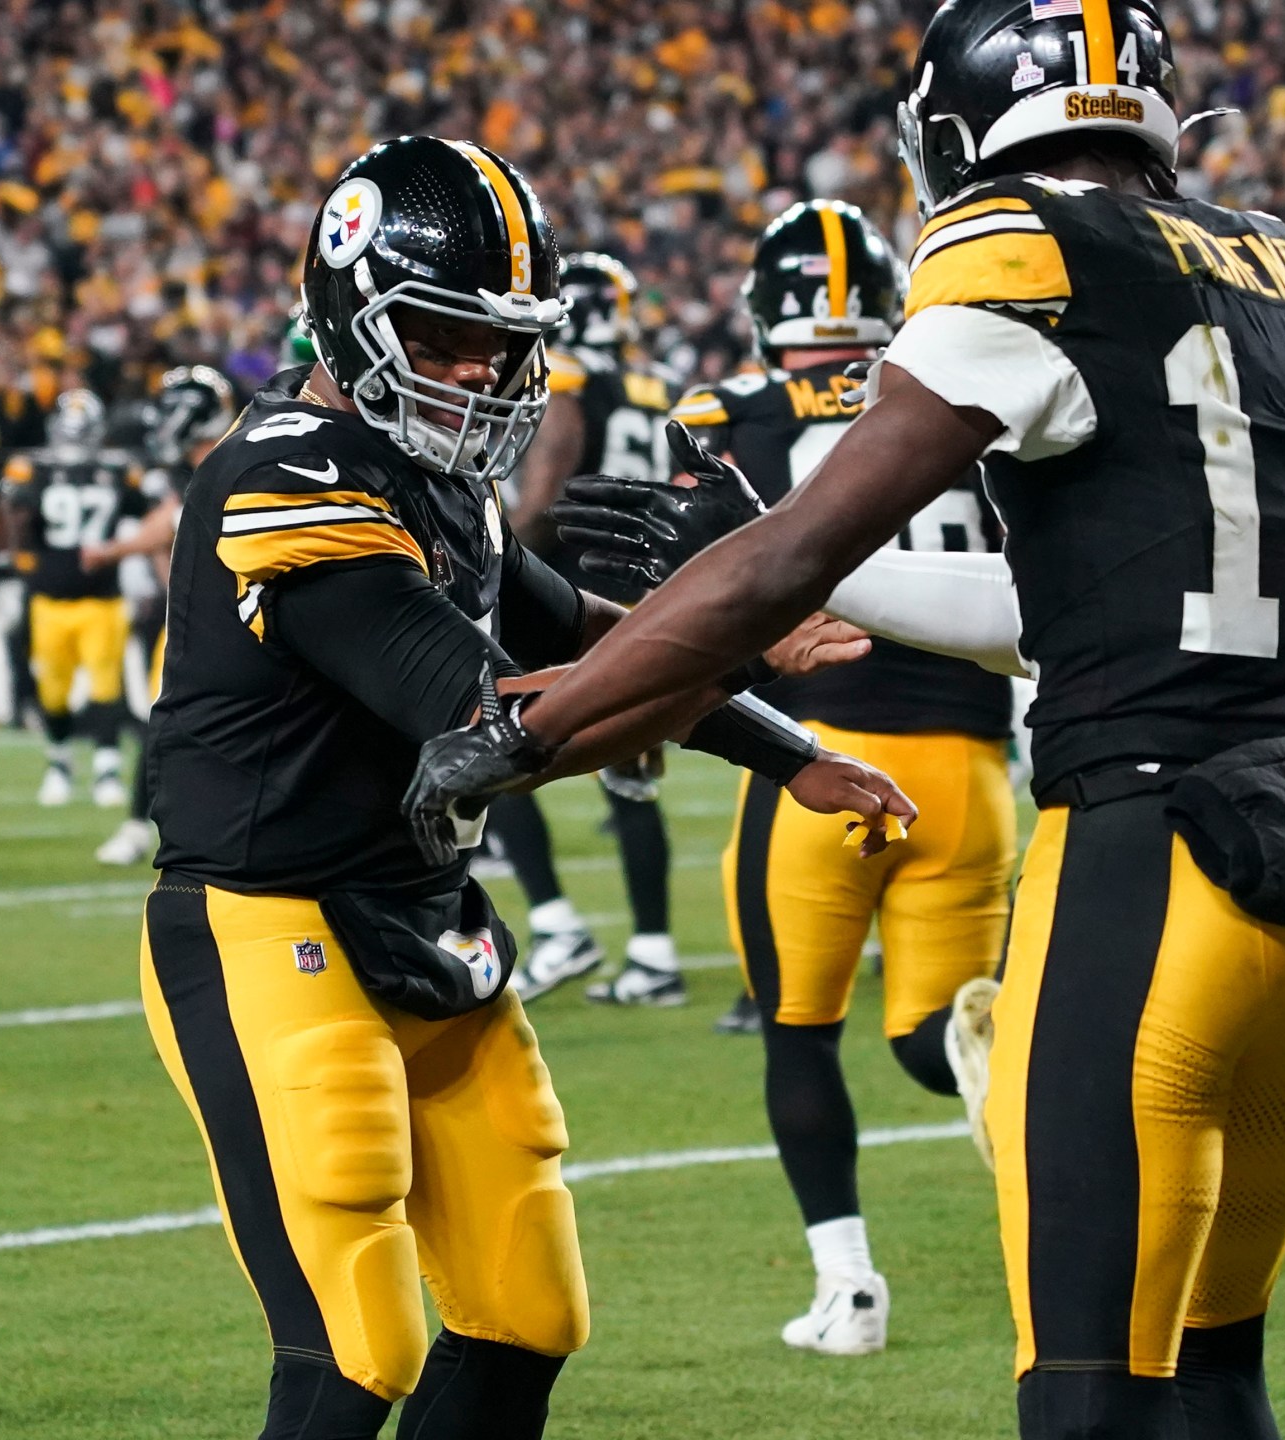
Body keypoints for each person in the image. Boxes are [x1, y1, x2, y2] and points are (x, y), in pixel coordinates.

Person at [404, 6, 1285, 1433]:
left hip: (1155, 851)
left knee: (1089, 1391)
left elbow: (790, 560)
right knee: (1215, 1376)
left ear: (958, 126)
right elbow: (1073, 598)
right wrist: (798, 568)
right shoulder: (1279, 262)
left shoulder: (1022, 243)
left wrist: (539, 730)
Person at [136, 135, 906, 1439]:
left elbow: (588, 641)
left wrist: (789, 745)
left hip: (427, 917)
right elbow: (495, 722)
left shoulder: (439, 484)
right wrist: (738, 611)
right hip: (267, 927)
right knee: (354, 1351)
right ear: (350, 309)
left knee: (525, 1312)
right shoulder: (284, 478)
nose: (481, 371)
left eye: (501, 342)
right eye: (444, 335)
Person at [665, 198, 1018, 1351]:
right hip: (969, 771)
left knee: (798, 1032)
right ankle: (1000, 1080)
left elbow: (708, 592)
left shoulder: (727, 416)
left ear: (768, 310)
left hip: (816, 760)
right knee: (932, 1035)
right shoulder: (960, 392)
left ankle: (849, 1293)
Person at [488, 252, 683, 1006]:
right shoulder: (659, 382)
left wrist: (504, 556)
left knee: (492, 743)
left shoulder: (566, 374)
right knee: (632, 782)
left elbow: (552, 476)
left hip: (573, 595)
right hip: (646, 593)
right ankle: (654, 955)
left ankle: (557, 922)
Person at [83, 364, 235, 865]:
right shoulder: (197, 466)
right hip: (201, 617)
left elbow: (173, 520)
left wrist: (111, 551)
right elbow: (169, 524)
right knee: (164, 723)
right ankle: (140, 825)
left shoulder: (232, 457)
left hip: (239, 621)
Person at [4, 389, 148, 809]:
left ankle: (106, 767)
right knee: (53, 690)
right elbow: (17, 524)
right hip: (50, 598)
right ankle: (59, 763)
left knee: (105, 686)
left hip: (102, 597)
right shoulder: (34, 470)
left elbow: (143, 518)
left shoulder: (118, 470)